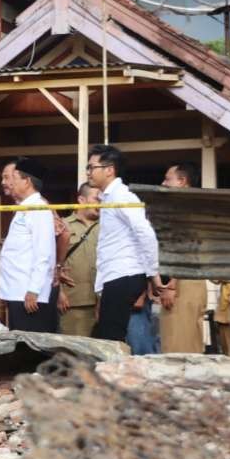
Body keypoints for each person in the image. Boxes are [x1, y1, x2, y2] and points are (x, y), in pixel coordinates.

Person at [86, 144, 165, 342]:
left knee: (111, 336)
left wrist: (153, 273)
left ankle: (115, 372)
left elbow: (145, 233)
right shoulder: (108, 198)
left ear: (109, 170)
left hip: (124, 274)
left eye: (91, 167)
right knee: (106, 333)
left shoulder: (122, 196)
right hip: (116, 275)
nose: (88, 172)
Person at [0, 157, 56, 332]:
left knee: (30, 346)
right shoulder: (25, 207)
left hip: (28, 294)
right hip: (17, 291)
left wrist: (34, 289)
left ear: (27, 181)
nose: (10, 183)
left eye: (15, 178)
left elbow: (44, 252)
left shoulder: (38, 208)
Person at [158, 161, 208, 353]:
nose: (163, 183)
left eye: (167, 179)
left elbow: (187, 247)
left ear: (182, 181)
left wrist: (172, 284)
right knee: (178, 342)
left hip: (183, 282)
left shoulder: (186, 208)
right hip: (183, 281)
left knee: (180, 347)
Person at [58, 183, 100, 337]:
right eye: (96, 199)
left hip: (101, 302)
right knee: (73, 353)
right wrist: (58, 293)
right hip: (72, 302)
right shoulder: (63, 226)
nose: (100, 203)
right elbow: (52, 262)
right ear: (82, 200)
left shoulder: (106, 227)